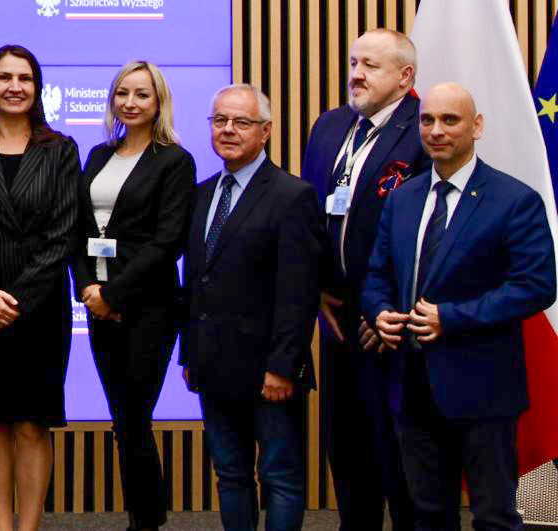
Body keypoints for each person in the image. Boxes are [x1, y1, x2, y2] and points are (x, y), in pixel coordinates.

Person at [361, 82, 555, 531]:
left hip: (483, 387)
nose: (436, 130)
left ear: (476, 126)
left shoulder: (514, 200)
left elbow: (536, 286)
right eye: (427, 120)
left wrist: (451, 318)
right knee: (428, 516)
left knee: (494, 517)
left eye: (450, 120)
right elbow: (377, 273)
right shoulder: (403, 198)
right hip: (412, 385)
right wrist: (379, 310)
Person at [301, 29, 428, 531]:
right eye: (354, 62)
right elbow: (309, 215)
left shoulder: (423, 129)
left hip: (395, 323)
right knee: (348, 447)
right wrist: (315, 288)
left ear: (405, 76)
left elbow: (430, 235)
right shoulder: (330, 126)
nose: (356, 74)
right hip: (336, 316)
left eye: (370, 66)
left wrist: (387, 307)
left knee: (399, 453)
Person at [181, 84, 321, 531]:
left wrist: (282, 366)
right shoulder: (202, 195)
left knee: (280, 477)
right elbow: (196, 282)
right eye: (220, 120)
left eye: (241, 122)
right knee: (230, 475)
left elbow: (299, 293)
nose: (228, 129)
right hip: (213, 365)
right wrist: (190, 354)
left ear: (266, 131)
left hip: (269, 372)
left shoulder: (292, 195)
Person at [0, 44, 80, 531]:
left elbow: (63, 235)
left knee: (32, 423)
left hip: (41, 308)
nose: (14, 87)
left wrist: (14, 303)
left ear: (37, 87)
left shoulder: (60, 148)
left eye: (24, 78)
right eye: (5, 77)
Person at [70, 60, 195, 531]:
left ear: (159, 101)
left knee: (133, 418)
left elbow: (167, 243)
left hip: (149, 309)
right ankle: (147, 517)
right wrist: (87, 288)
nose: (130, 102)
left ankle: (145, 522)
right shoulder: (99, 155)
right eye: (123, 93)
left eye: (142, 94)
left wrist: (114, 295)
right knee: (124, 421)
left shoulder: (174, 161)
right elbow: (79, 230)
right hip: (99, 306)